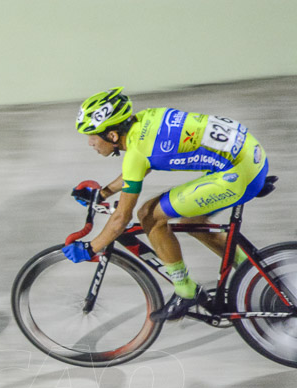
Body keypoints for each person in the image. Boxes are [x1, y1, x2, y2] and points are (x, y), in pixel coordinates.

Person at [64, 88, 270, 321]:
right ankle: (251, 275)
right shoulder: (145, 120)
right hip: (253, 158)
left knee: (149, 215)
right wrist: (102, 193)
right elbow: (140, 167)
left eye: (92, 135)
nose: (90, 143)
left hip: (238, 175)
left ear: (112, 136)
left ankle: (185, 290)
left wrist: (91, 247)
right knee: (192, 221)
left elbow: (121, 218)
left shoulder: (136, 154)